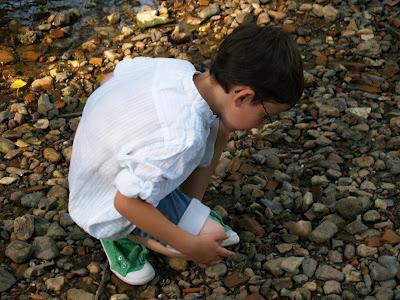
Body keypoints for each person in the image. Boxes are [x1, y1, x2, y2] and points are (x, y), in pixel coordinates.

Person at [68, 23, 304, 285]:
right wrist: (190, 245)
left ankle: (181, 209)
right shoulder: (182, 138)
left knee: (217, 127)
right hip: (104, 201)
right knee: (210, 236)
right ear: (242, 97)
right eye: (266, 115)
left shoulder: (178, 70)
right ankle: (117, 237)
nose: (261, 124)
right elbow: (126, 203)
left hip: (94, 164)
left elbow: (110, 79)